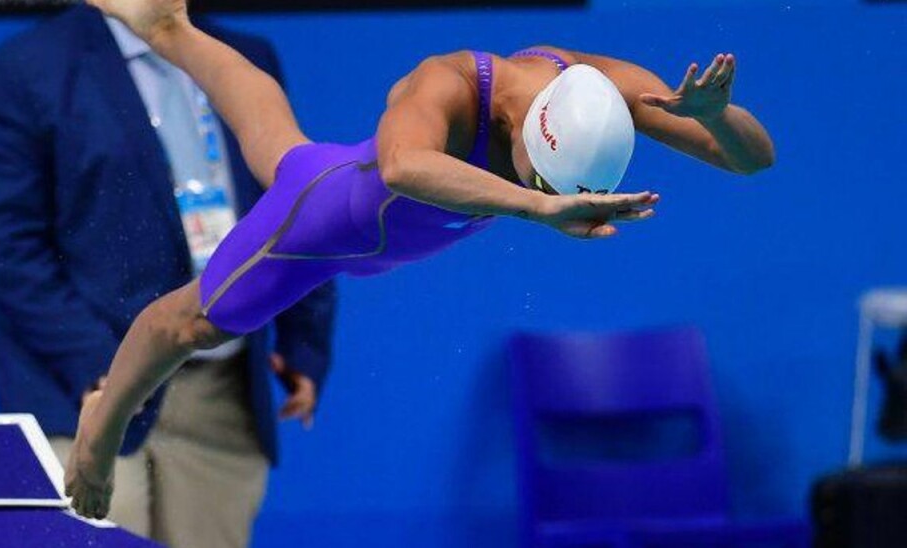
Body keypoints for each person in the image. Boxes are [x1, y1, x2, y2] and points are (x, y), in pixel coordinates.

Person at [67, 0, 774, 519]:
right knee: (189, 324)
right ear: (520, 129)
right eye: (544, 178)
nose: (548, 194)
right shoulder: (451, 83)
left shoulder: (602, 88)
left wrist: (711, 117)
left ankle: (172, 29)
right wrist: (536, 207)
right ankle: (100, 433)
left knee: (278, 142)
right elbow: (404, 167)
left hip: (395, 236)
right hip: (326, 223)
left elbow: (754, 162)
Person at [0, 4, 336, 546]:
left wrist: (305, 342)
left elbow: (297, 201)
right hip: (84, 392)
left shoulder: (248, 58)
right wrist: (108, 375)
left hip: (220, 396)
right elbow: (8, 247)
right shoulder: (23, 69)